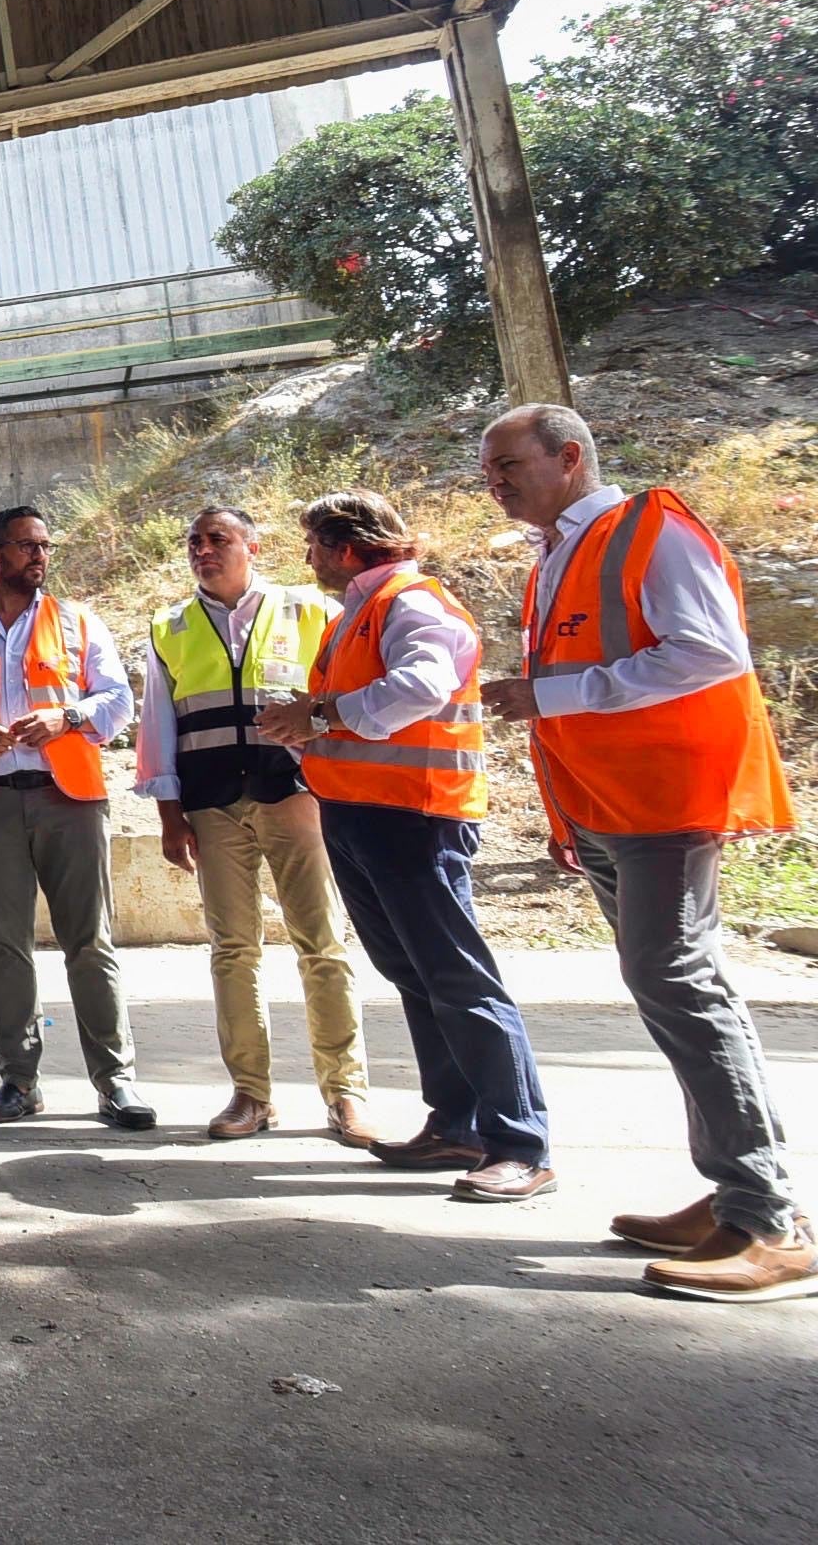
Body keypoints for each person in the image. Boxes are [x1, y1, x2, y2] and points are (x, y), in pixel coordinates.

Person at [477, 404, 810, 1301]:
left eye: (509, 464)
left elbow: (710, 653)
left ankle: (772, 1221)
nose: (495, 481)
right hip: (609, 806)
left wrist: (557, 692)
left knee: (680, 983)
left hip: (664, 801)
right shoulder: (560, 554)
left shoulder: (651, 530)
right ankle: (738, 1196)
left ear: (570, 456)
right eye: (490, 469)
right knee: (668, 986)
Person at [257, 491, 553, 1202]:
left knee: (456, 978)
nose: (308, 560)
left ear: (347, 546)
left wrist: (319, 714)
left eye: (315, 546)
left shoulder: (411, 601)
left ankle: (520, 1144)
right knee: (417, 976)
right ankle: (456, 1123)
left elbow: (420, 686)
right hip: (362, 816)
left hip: (415, 819)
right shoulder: (366, 607)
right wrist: (311, 730)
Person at [0, 505, 152, 1129]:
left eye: (45, 545)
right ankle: (19, 1081)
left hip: (68, 795)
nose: (41, 556)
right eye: (27, 546)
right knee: (5, 945)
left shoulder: (77, 621)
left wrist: (66, 718)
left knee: (89, 940)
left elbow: (118, 698)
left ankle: (115, 1082)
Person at [136, 505, 374, 1145]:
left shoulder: (310, 612)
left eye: (218, 538)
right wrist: (169, 811)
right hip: (212, 804)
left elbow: (344, 697)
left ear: (253, 546)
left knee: (321, 943)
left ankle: (345, 1093)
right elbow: (157, 728)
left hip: (295, 794)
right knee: (233, 950)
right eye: (194, 540)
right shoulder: (169, 627)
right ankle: (251, 1095)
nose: (204, 549)